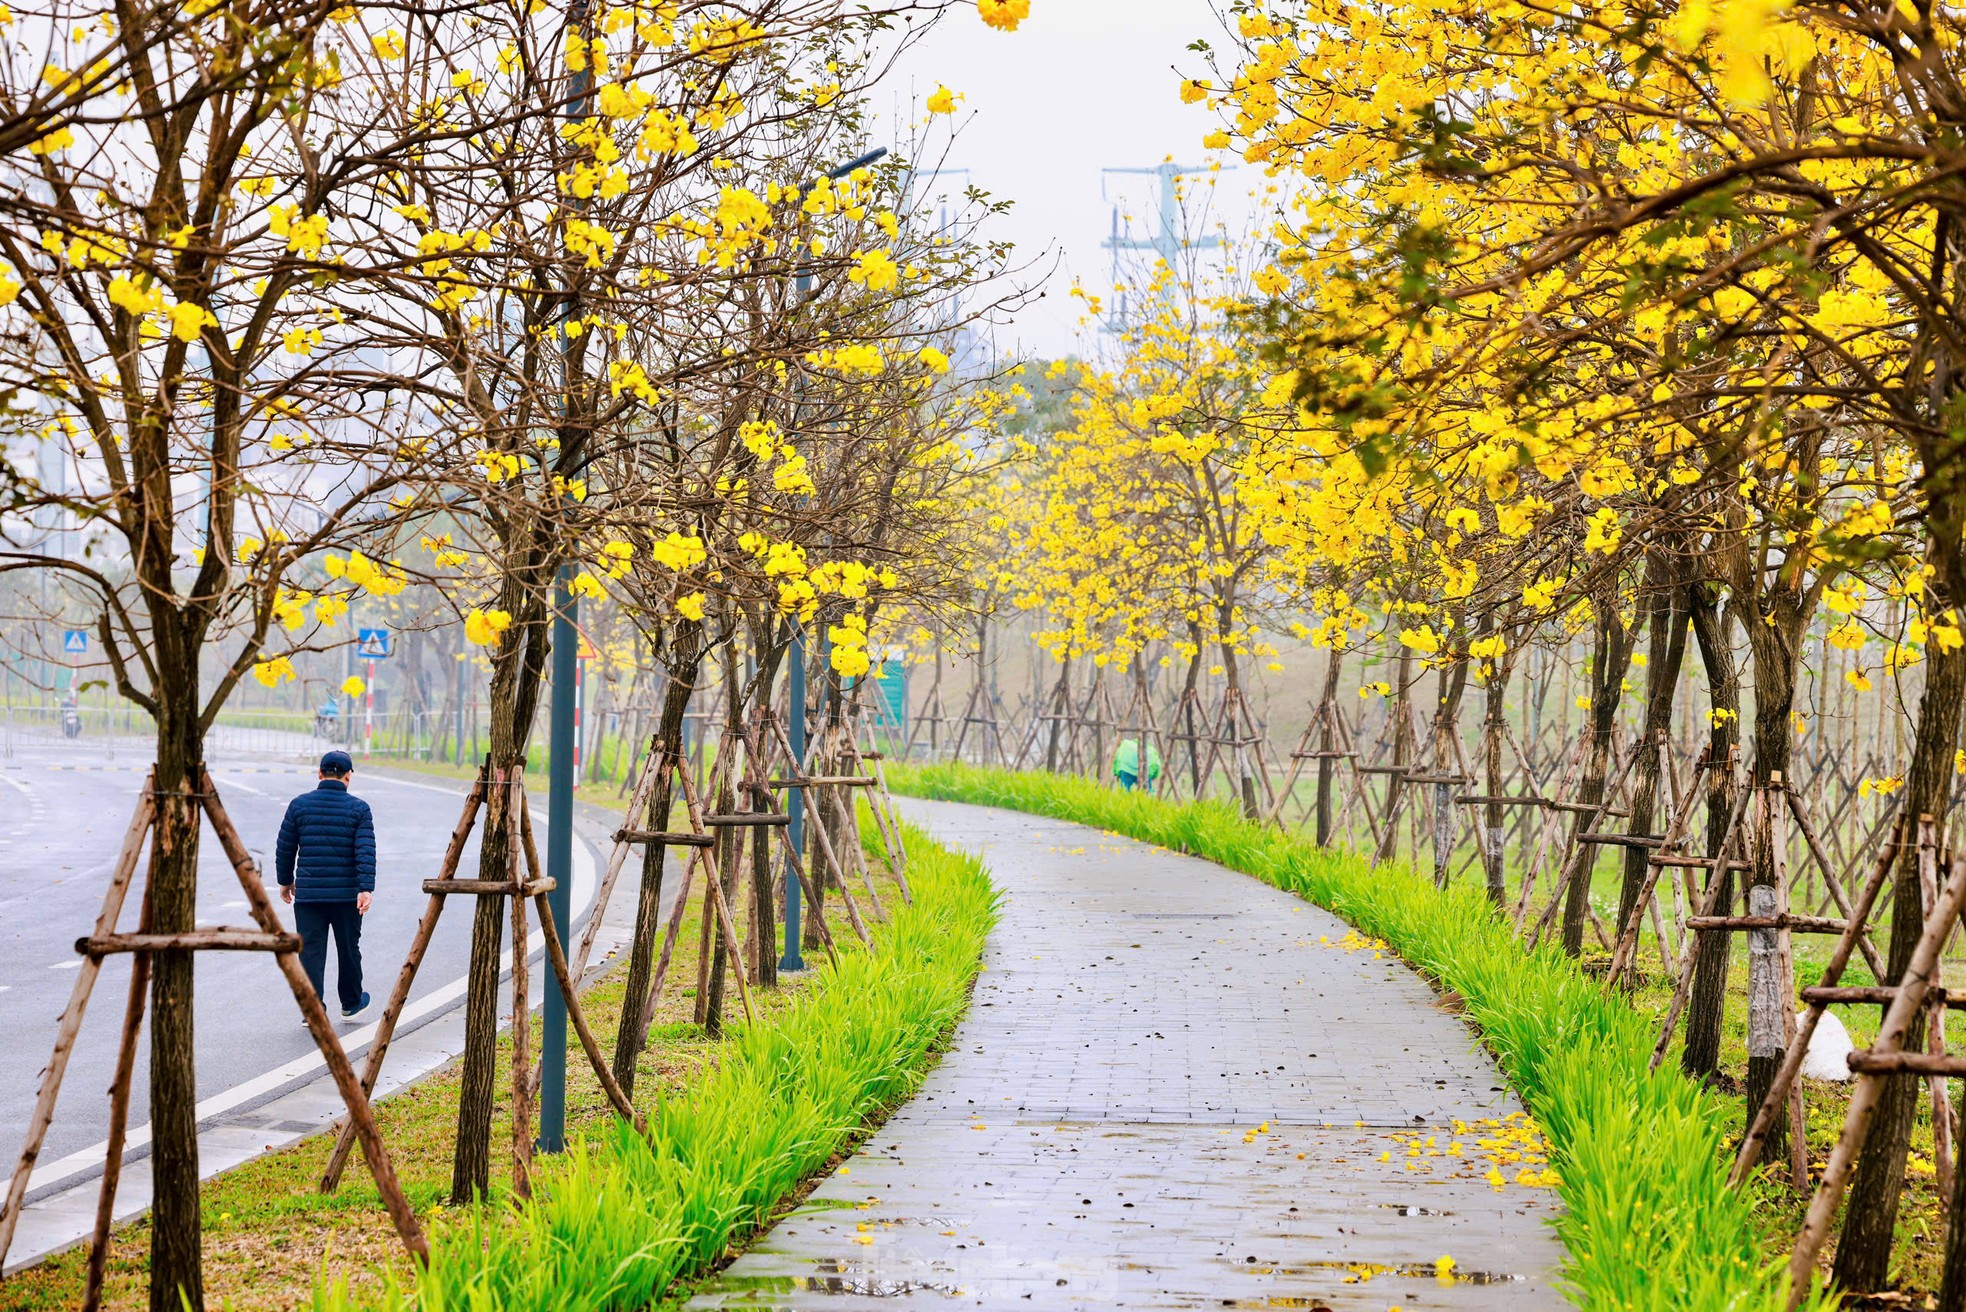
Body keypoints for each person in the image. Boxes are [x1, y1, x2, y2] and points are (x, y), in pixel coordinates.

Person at [277, 749, 374, 1019]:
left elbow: (285, 848)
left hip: (309, 897)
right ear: (348, 777)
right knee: (349, 948)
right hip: (346, 897)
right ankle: (352, 1002)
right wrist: (365, 888)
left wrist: (285, 882)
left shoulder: (299, 805)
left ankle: (313, 1010)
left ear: (319, 774)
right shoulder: (359, 809)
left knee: (310, 953)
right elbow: (365, 851)